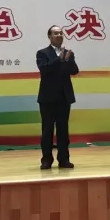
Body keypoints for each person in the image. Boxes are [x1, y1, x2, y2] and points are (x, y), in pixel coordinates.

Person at [36, 25, 78, 169]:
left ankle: (64, 159)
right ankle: (46, 159)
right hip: (47, 98)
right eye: (56, 33)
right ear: (50, 36)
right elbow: (44, 69)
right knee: (47, 130)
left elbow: (74, 71)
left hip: (64, 97)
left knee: (63, 130)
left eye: (61, 33)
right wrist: (58, 60)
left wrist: (68, 60)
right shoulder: (42, 53)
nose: (59, 35)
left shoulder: (68, 53)